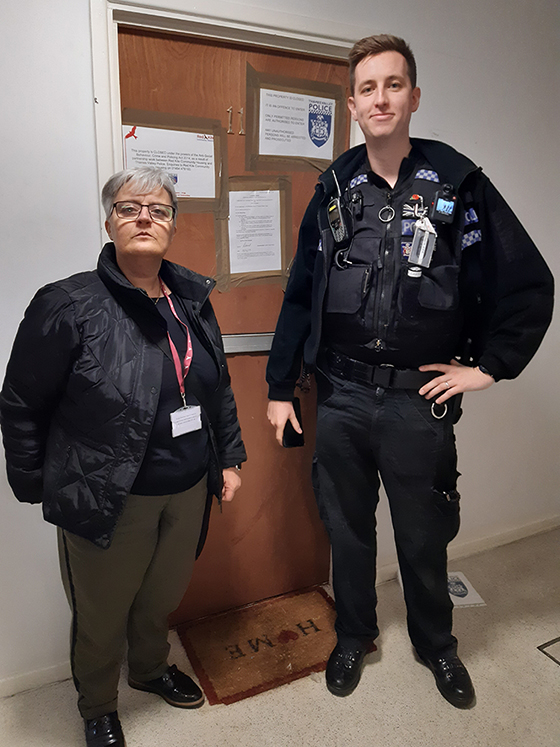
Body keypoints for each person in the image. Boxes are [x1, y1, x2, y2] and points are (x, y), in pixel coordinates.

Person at [266, 35, 553, 709]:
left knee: (423, 531)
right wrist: (282, 387)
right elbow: (301, 292)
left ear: (414, 97)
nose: (380, 98)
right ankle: (353, 634)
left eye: (393, 85)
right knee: (347, 526)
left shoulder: (458, 183)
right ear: (353, 104)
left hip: (415, 401)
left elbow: (526, 280)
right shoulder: (334, 187)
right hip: (337, 396)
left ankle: (437, 644)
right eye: (367, 88)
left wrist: (490, 367)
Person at [0, 167, 246, 746]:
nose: (144, 217)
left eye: (158, 210)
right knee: (101, 614)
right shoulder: (67, 304)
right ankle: (97, 704)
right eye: (129, 206)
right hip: (109, 494)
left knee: (160, 598)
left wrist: (229, 458)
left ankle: (151, 669)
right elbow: (20, 402)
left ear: (173, 227)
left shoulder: (192, 298)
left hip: (186, 490)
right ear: (109, 220)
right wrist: (38, 483)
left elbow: (217, 388)